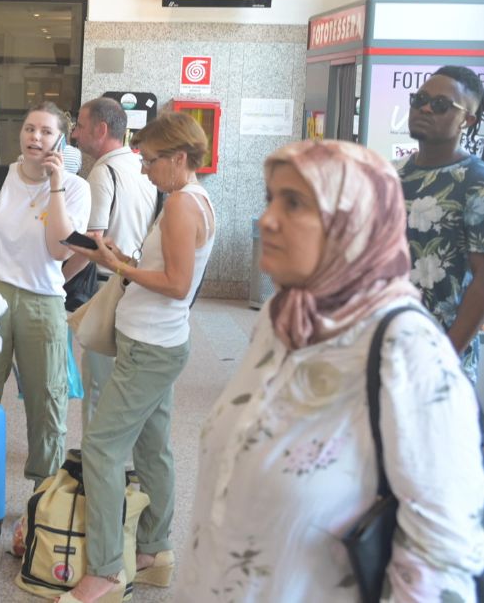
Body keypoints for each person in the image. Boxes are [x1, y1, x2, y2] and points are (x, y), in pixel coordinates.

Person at [176, 139, 484, 602]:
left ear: (355, 223)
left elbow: (442, 557)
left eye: (295, 203)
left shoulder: (408, 351)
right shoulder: (283, 318)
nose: (267, 219)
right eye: (270, 198)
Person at [58, 112, 215, 603]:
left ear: (180, 158)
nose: (144, 170)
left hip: (151, 346)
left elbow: (176, 285)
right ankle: (154, 550)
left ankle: (105, 573)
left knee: (103, 450)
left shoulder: (183, 207)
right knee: (152, 448)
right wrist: (127, 260)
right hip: (158, 342)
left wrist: (117, 264)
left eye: (150, 160)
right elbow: (166, 272)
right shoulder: (194, 200)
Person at [0, 101, 91, 487]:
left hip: (43, 302)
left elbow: (60, 249)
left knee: (48, 402)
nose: (36, 137)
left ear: (61, 140)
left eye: (46, 131)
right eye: (30, 128)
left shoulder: (77, 189)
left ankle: (42, 498)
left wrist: (56, 185)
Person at [65, 97, 159, 424]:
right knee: (124, 384)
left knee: (98, 386)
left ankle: (96, 461)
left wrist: (57, 282)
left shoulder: (103, 172)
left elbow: (94, 242)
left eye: (79, 125)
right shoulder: (139, 165)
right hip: (136, 285)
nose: (74, 134)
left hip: (107, 289)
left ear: (101, 130)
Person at [396, 65, 484, 383]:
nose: (425, 108)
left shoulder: (475, 181)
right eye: (420, 99)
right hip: (388, 349)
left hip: (442, 363)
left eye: (441, 104)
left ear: (467, 120)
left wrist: (446, 356)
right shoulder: (395, 175)